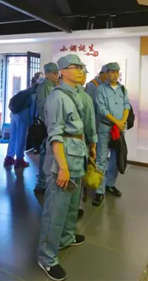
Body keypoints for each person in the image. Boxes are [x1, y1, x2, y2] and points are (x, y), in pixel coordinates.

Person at [37, 54, 96, 281]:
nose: (81, 70)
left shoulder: (78, 94)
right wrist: (62, 167)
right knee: (55, 210)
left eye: (82, 67)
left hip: (77, 155)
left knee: (72, 204)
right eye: (75, 67)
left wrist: (91, 146)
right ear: (62, 72)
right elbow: (55, 135)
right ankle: (47, 257)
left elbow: (85, 125)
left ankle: (66, 237)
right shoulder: (57, 97)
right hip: (62, 160)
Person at [92, 62, 130, 207]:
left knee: (115, 158)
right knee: (101, 159)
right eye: (112, 72)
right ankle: (99, 191)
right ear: (106, 73)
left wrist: (123, 121)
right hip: (105, 128)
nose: (115, 74)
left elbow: (127, 105)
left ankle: (110, 184)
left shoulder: (122, 89)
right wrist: (117, 122)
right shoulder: (100, 89)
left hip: (119, 130)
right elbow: (102, 109)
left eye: (117, 72)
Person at [75, 67, 98, 221]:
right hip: (78, 145)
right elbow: (89, 123)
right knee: (76, 181)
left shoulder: (56, 93)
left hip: (57, 146)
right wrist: (93, 145)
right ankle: (72, 215)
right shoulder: (84, 97)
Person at [34, 62, 60, 194]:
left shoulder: (55, 86)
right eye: (54, 73)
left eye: (57, 73)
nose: (56, 75)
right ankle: (41, 183)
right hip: (47, 124)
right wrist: (48, 123)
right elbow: (42, 106)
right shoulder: (43, 86)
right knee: (45, 153)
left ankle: (47, 179)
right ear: (47, 74)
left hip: (54, 124)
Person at [3, 84, 36, 169]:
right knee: (21, 138)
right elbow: (32, 111)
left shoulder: (24, 92)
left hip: (14, 114)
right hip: (23, 117)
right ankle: (19, 160)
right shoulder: (34, 95)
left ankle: (9, 157)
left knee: (13, 137)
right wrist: (32, 122)